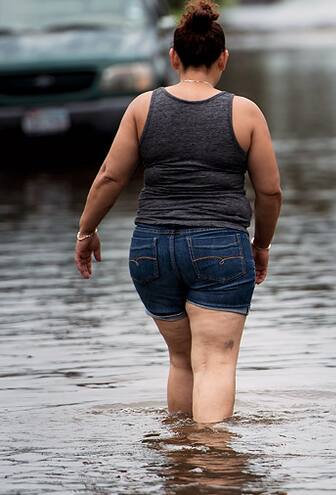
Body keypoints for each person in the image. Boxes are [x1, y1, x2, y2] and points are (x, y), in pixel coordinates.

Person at [74, 0, 282, 424]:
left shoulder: (142, 107)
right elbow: (270, 191)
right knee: (216, 363)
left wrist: (86, 231)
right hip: (219, 247)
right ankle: (212, 465)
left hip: (150, 249)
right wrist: (261, 244)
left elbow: (109, 179)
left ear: (174, 57)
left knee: (182, 360)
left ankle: (182, 463)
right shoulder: (244, 112)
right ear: (223, 58)